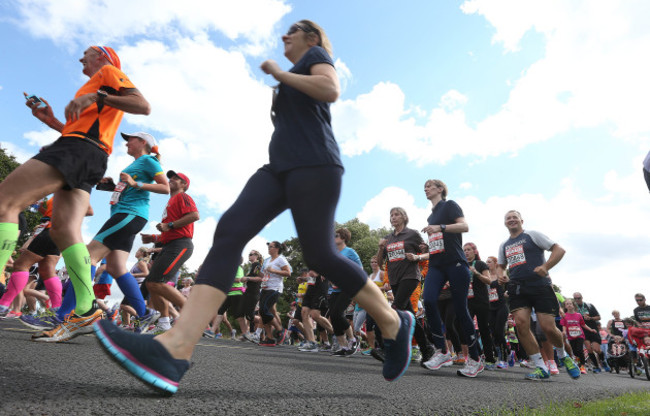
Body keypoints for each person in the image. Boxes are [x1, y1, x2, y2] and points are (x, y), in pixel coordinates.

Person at [94, 20, 414, 395]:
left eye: (293, 30)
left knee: (322, 255)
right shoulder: (290, 78)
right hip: (278, 167)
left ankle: (393, 323)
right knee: (229, 232)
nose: (285, 36)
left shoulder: (315, 55)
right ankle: (173, 349)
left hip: (314, 163)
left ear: (311, 37)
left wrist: (281, 74)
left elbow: (330, 89)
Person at [0, 46, 150, 340]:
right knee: (64, 231)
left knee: (6, 202)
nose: (81, 58)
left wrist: (96, 95)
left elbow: (142, 105)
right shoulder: (97, 88)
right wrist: (49, 120)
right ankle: (85, 308)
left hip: (79, 150)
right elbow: (77, 129)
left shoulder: (109, 73)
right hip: (88, 153)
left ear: (103, 57)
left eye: (86, 54)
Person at [495, 210, 580, 380]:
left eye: (514, 217)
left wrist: (545, 267)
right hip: (517, 288)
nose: (511, 220)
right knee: (520, 325)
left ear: (521, 221)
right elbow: (500, 265)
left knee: (548, 327)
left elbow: (559, 249)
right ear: (505, 223)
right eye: (508, 218)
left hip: (540, 286)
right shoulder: (504, 245)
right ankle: (541, 366)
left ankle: (564, 356)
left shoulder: (532, 235)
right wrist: (500, 274)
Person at [419, 180, 482, 378]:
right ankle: (442, 351)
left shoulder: (450, 205)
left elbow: (464, 226)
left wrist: (441, 227)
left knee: (461, 310)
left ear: (440, 189)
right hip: (437, 265)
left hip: (455, 263)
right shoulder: (430, 216)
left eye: (430, 186)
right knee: (428, 300)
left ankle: (475, 358)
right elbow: (438, 240)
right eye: (425, 187)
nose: (426, 189)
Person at [141, 171, 199, 334]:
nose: (171, 179)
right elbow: (169, 231)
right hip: (169, 245)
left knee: (157, 282)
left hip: (180, 245)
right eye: (171, 177)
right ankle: (164, 322)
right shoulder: (171, 201)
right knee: (152, 284)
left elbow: (194, 215)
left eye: (176, 178)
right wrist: (154, 236)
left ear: (184, 185)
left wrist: (170, 225)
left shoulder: (182, 197)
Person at [377, 208, 434, 364]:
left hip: (410, 277)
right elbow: (381, 261)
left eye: (397, 214)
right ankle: (427, 348)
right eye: (391, 215)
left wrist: (417, 256)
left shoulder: (412, 234)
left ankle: (387, 348)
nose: (393, 217)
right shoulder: (388, 238)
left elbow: (430, 253)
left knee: (394, 310)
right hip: (395, 280)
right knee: (410, 316)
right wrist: (381, 247)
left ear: (404, 217)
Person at [462, 242, 496, 369]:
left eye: (469, 249)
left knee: (484, 330)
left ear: (474, 251)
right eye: (464, 250)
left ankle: (490, 359)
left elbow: (489, 281)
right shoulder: (462, 265)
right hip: (467, 301)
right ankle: (477, 355)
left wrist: (476, 273)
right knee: (466, 328)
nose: (466, 252)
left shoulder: (481, 264)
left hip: (481, 301)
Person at [560, 298, 597, 374]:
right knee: (575, 352)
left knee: (579, 350)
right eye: (567, 304)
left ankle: (582, 366)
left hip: (580, 335)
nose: (569, 305)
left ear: (573, 305)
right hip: (571, 337)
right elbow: (563, 325)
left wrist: (591, 330)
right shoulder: (565, 316)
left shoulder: (578, 315)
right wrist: (563, 332)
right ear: (565, 306)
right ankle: (579, 360)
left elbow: (583, 324)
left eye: (570, 303)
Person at [573, 292, 607, 372]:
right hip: (582, 330)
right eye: (575, 298)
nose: (577, 300)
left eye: (579, 298)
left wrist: (590, 318)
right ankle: (597, 366)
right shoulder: (574, 308)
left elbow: (599, 317)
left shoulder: (589, 306)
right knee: (589, 349)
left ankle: (603, 361)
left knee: (596, 349)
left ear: (582, 297)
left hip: (593, 329)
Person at [486, 255, 509, 369]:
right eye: (487, 262)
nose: (487, 264)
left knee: (499, 332)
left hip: (501, 307)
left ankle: (503, 360)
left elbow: (510, 285)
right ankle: (506, 351)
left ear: (495, 263)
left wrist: (507, 292)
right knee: (494, 334)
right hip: (490, 308)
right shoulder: (486, 276)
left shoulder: (501, 275)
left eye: (489, 262)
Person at [238, 250, 264, 342]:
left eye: (251, 254)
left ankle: (265, 322)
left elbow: (261, 278)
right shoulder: (252, 266)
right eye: (249, 254)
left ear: (256, 256)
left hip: (253, 293)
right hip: (248, 292)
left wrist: (247, 278)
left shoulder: (257, 265)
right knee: (240, 313)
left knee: (250, 316)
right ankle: (246, 334)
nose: (249, 256)